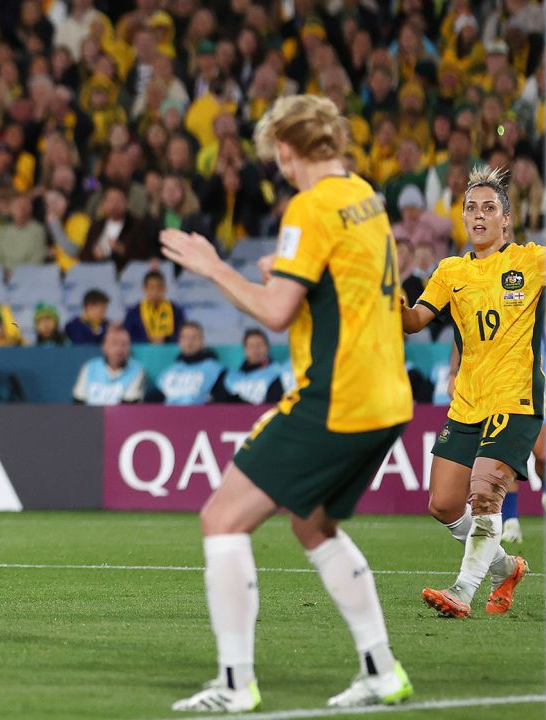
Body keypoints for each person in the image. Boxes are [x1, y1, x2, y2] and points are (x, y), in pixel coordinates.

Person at [159, 95, 414, 712]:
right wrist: (286, 265)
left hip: (335, 397)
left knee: (222, 519)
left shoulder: (308, 205)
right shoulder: (365, 195)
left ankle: (233, 682)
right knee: (311, 521)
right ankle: (382, 671)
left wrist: (215, 267)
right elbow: (343, 275)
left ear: (286, 150)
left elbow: (276, 312)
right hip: (388, 395)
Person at [401, 166, 546, 618]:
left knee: (485, 495)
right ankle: (505, 567)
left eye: (489, 208)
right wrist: (382, 297)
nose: (478, 215)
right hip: (468, 402)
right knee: (443, 504)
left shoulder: (532, 261)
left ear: (507, 220)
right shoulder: (450, 271)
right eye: (471, 208)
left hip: (516, 398)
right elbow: (412, 323)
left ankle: (463, 590)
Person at [72, 324, 146, 406]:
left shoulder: (137, 370)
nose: (119, 350)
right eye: (114, 344)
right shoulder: (89, 367)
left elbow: (128, 407)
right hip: (89, 417)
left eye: (124, 344)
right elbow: (78, 401)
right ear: (104, 347)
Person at [156, 321, 225, 405]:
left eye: (194, 337)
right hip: (168, 415)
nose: (189, 342)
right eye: (185, 338)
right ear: (179, 341)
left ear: (202, 341)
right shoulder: (168, 372)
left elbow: (221, 402)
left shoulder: (216, 371)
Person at [212, 329, 285, 404]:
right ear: (245, 350)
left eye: (259, 345)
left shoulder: (278, 373)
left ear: (267, 347)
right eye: (251, 346)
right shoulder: (231, 377)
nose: (256, 349)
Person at [124, 270, 186, 345]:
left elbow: (183, 334)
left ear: (165, 288)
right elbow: (127, 336)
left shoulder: (176, 310)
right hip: (142, 353)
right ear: (144, 289)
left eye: (159, 287)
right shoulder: (133, 312)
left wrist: (165, 339)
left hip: (170, 352)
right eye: (151, 287)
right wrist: (148, 339)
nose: (155, 291)